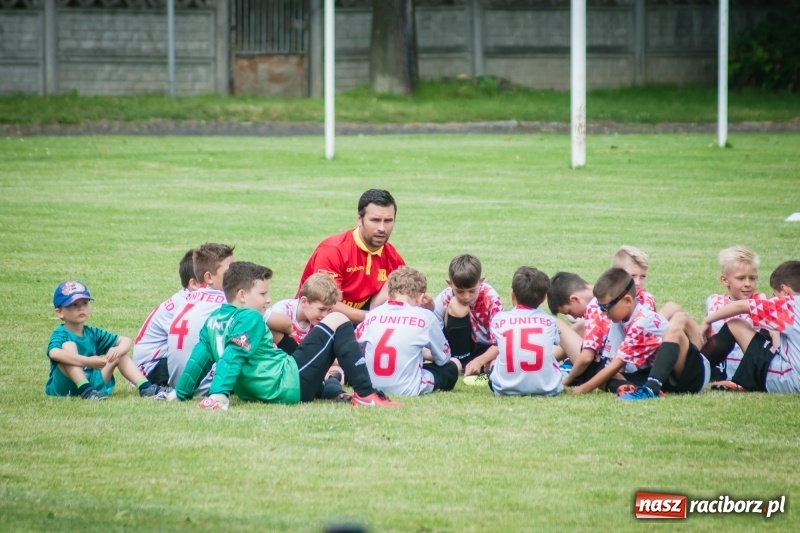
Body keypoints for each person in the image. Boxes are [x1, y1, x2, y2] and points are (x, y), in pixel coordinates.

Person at [172, 261, 400, 408]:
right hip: (289, 383)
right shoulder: (250, 317)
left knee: (322, 376)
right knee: (339, 319)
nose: (268, 299)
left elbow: (199, 358)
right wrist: (219, 395)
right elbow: (234, 355)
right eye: (263, 294)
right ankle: (366, 394)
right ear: (242, 295)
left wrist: (180, 393)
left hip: (267, 388)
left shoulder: (215, 318)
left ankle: (333, 387)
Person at [571, 268, 710, 400]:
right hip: (662, 377)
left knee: (673, 332)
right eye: (600, 307)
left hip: (694, 375)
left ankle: (650, 390)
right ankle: (637, 389)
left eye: (606, 307)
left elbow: (616, 365)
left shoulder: (641, 321)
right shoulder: (618, 321)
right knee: (603, 379)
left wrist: (582, 389)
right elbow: (612, 365)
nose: (603, 312)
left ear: (627, 301)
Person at [46, 280, 170, 400]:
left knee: (120, 355)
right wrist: (88, 361)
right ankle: (85, 390)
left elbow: (126, 341)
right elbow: (54, 353)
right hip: (65, 386)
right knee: (68, 347)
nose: (81, 308)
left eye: (85, 303)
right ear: (59, 312)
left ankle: (146, 388)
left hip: (92, 382)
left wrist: (117, 350)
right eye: (74, 305)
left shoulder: (92, 332)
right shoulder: (61, 333)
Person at [297, 189, 406, 324]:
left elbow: (407, 298)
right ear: (359, 219)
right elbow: (325, 305)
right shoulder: (333, 251)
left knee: (399, 285)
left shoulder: (392, 257)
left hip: (359, 320)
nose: (382, 228)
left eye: (388, 221)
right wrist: (373, 318)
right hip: (316, 323)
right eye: (375, 220)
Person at [356, 266, 459, 397]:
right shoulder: (425, 316)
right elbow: (443, 359)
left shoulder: (372, 315)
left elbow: (356, 346)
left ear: (389, 294)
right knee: (454, 365)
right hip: (407, 388)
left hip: (371, 384)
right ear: (420, 298)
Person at [700, 260, 800, 394]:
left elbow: (740, 306)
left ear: (785, 290)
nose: (774, 299)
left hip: (789, 380)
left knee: (736, 325)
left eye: (776, 295)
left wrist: (707, 321)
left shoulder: (788, 304)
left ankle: (697, 371)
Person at [481, 267, 582, 396]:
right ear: (544, 298)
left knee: (494, 362)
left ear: (512, 294)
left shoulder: (499, 319)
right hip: (548, 388)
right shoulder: (550, 321)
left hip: (504, 388)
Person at [547, 271, 635, 395]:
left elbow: (587, 358)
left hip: (603, 367)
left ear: (574, 299)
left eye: (569, 312)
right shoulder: (611, 296)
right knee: (581, 325)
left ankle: (543, 361)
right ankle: (547, 359)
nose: (573, 316)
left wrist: (567, 381)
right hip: (627, 362)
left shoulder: (594, 307)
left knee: (557, 324)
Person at [165, 242, 235, 390]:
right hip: (203, 384)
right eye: (230, 270)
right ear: (209, 277)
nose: (236, 274)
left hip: (176, 381)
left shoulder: (187, 297)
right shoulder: (226, 301)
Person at [132, 248, 202, 384]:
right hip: (150, 367)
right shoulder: (183, 303)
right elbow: (185, 344)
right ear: (194, 283)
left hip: (161, 360)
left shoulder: (190, 298)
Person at [704, 245, 768, 382]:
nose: (748, 284)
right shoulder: (713, 301)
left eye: (752, 278)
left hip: (747, 365)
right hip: (718, 365)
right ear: (725, 280)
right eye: (741, 278)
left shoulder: (760, 301)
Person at [435, 254, 503, 377]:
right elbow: (434, 333)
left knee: (494, 364)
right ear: (450, 283)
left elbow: (500, 342)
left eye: (472, 290)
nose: (466, 297)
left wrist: (480, 360)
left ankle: (479, 364)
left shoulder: (491, 298)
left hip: (485, 347)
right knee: (457, 305)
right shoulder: (444, 297)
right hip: (456, 347)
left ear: (481, 281)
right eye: (460, 291)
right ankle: (462, 362)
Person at [266, 273, 340, 354]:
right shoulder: (282, 311)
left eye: (329, 310)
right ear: (304, 302)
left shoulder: (320, 321)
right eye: (321, 309)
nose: (325, 315)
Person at [612, 245, 681, 319]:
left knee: (673, 308)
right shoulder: (606, 296)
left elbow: (644, 323)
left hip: (642, 324)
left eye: (642, 276)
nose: (638, 283)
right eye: (633, 276)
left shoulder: (645, 299)